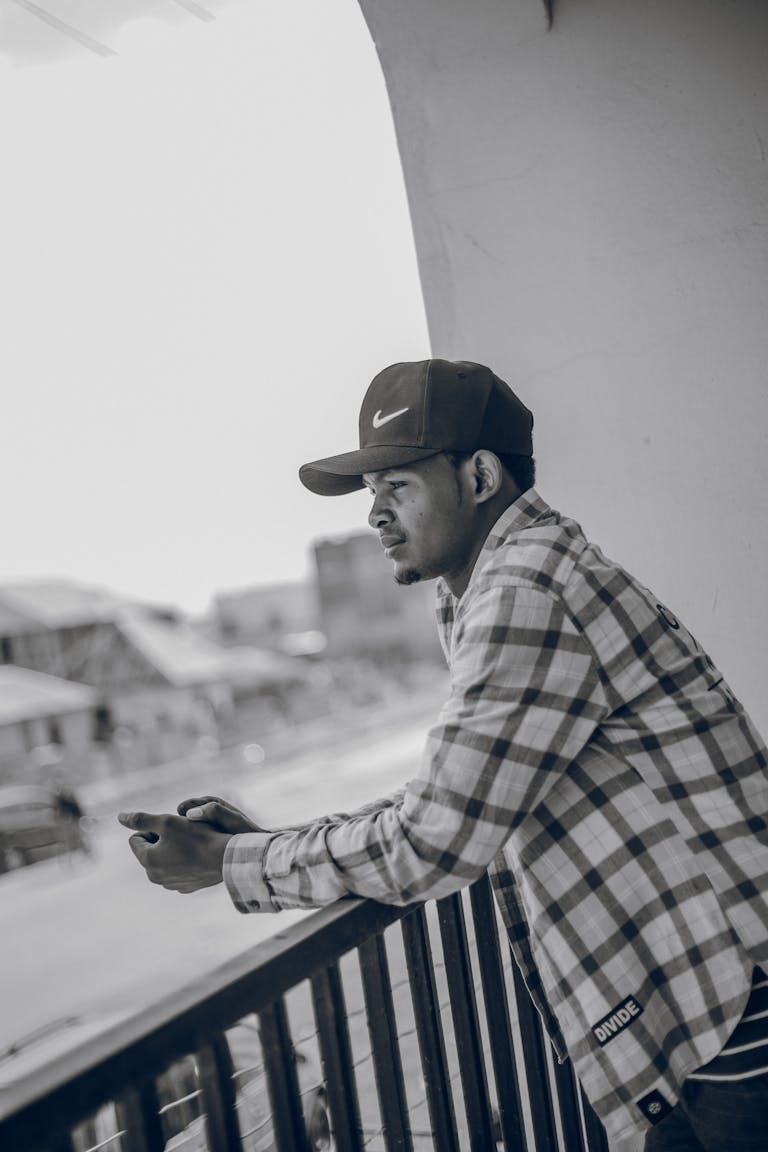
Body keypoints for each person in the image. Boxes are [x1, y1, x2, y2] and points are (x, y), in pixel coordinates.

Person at [119, 359, 768, 1150]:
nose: (375, 516)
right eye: (370, 496)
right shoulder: (508, 584)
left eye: (398, 487)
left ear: (480, 475)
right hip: (716, 998)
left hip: (725, 1012)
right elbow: (455, 796)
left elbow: (432, 840)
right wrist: (259, 843)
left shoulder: (523, 593)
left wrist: (231, 864)